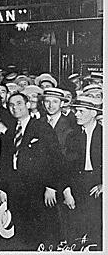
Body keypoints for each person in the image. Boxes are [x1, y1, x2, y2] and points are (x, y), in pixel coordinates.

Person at [0, 92, 62, 249]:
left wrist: (51, 187)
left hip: (38, 188)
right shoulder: (10, 130)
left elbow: (55, 159)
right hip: (16, 189)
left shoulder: (41, 127)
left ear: (28, 105)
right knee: (21, 231)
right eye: (11, 105)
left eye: (19, 103)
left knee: (39, 231)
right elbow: (4, 163)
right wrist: (2, 188)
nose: (15, 108)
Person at [62, 95, 102, 249]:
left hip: (97, 182)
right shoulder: (73, 136)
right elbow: (67, 167)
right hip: (78, 182)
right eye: (76, 111)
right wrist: (67, 191)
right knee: (76, 224)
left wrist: (104, 184)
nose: (76, 114)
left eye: (80, 111)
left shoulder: (103, 133)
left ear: (93, 113)